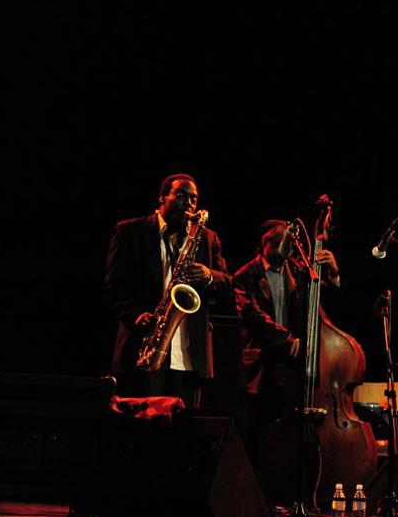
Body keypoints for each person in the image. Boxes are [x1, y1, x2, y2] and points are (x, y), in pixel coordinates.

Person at [104, 173, 232, 407]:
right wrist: (135, 315)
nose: (188, 203)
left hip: (190, 358)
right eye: (181, 195)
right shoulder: (130, 231)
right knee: (142, 424)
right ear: (162, 198)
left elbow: (228, 285)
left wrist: (209, 276)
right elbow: (114, 286)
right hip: (143, 350)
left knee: (186, 427)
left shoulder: (207, 238)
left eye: (193, 199)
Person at [233, 219, 341, 446]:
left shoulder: (297, 271)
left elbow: (320, 306)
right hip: (260, 364)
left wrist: (333, 274)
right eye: (280, 242)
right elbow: (253, 316)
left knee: (286, 432)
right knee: (255, 432)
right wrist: (287, 339)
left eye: (289, 243)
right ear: (264, 244)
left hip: (290, 362)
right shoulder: (245, 275)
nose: (287, 248)